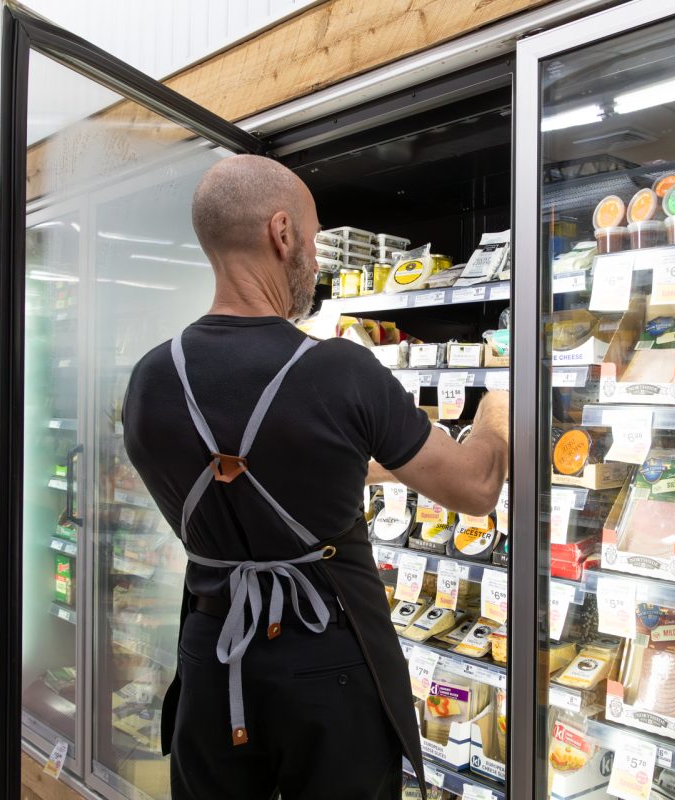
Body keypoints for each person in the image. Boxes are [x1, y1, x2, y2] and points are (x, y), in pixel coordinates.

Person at [122, 154, 510, 800]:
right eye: (313, 236)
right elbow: (475, 487)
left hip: (213, 655)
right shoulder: (340, 371)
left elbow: (259, 469)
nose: (317, 256)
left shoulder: (150, 380)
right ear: (281, 233)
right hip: (328, 662)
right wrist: (498, 407)